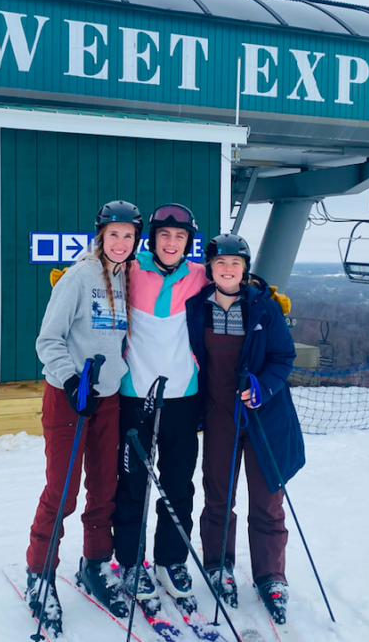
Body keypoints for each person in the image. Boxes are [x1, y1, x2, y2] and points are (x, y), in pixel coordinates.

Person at [25, 200, 143, 633]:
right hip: (70, 397)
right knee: (63, 490)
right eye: (114, 234)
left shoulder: (128, 278)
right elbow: (47, 339)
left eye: (129, 235)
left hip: (108, 397)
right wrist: (72, 381)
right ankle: (40, 573)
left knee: (105, 486)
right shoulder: (78, 277)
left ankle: (94, 563)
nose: (121, 242)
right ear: (100, 235)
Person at [185, 233, 304, 625]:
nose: (228, 269)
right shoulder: (196, 309)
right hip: (220, 413)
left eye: (235, 263)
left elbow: (283, 357)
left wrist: (263, 386)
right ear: (210, 269)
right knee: (218, 493)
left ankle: (270, 574)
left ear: (245, 268)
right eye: (221, 263)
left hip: (263, 415)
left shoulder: (264, 309)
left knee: (268, 498)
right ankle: (219, 565)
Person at [113, 203, 209, 604]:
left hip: (183, 397)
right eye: (165, 235)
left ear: (188, 243)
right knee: (133, 483)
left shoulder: (200, 276)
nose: (172, 243)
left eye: (180, 237)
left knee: (178, 485)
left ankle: (171, 559)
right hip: (136, 394)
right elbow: (94, 283)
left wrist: (264, 298)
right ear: (152, 238)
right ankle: (132, 561)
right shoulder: (130, 270)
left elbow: (235, 284)